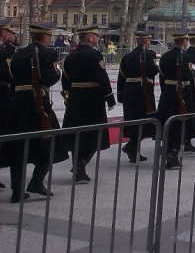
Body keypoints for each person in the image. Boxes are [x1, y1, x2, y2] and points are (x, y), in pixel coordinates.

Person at [4, 23, 69, 203]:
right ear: (46, 37)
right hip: (38, 103)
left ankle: (17, 190)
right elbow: (51, 76)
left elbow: (11, 76)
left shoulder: (18, 54)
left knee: (18, 147)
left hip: (18, 103)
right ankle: (37, 180)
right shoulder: (48, 54)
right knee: (51, 142)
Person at [61, 25, 116, 183]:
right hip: (92, 99)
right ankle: (81, 164)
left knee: (76, 134)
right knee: (94, 134)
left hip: (75, 99)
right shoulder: (94, 55)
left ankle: (78, 167)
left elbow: (65, 81)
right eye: (96, 36)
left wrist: (67, 98)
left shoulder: (70, 57)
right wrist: (110, 99)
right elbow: (102, 77)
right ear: (90, 38)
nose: (98, 39)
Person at [117, 29, 159, 164]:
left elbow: (121, 77)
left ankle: (133, 148)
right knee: (146, 119)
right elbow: (153, 71)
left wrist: (120, 96)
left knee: (134, 119)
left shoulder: (127, 57)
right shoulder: (149, 54)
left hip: (129, 90)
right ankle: (131, 147)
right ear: (147, 41)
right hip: (143, 90)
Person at [155, 28, 194, 169]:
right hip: (181, 92)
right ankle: (173, 153)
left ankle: (168, 150)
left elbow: (162, 76)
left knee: (169, 122)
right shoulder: (186, 57)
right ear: (184, 41)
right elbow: (188, 75)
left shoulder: (165, 56)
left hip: (168, 92)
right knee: (180, 123)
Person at [0, 18, 18, 189]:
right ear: (3, 33)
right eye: (11, 32)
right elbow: (10, 74)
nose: (14, 35)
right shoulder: (6, 51)